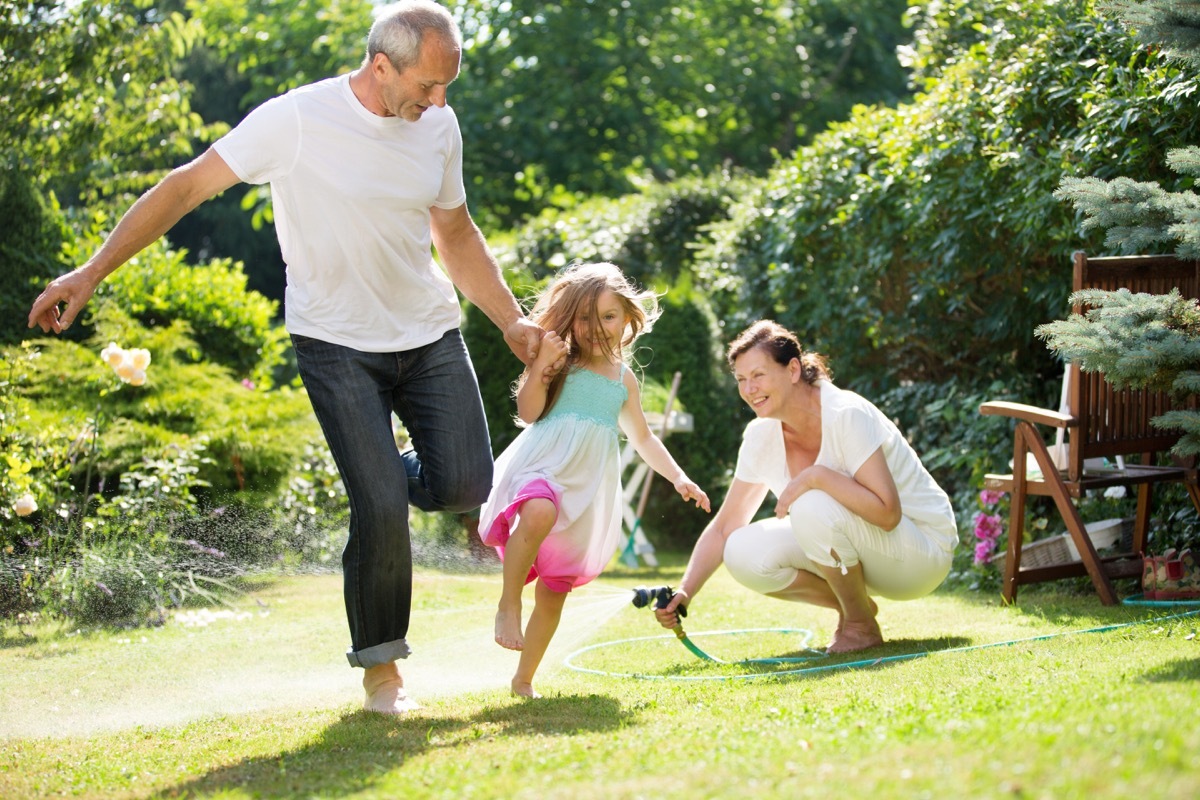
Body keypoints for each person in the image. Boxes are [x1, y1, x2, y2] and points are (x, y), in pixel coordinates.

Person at [27, 0, 548, 714]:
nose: (440, 101)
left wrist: (512, 321)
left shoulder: (438, 127)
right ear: (380, 65)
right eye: (428, 85)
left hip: (427, 334)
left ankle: (376, 475)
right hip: (334, 342)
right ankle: (382, 670)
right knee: (381, 510)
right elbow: (185, 187)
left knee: (463, 483)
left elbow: (455, 233)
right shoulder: (295, 120)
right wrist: (89, 272)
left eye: (447, 85)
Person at [478, 262, 711, 697]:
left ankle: (523, 679)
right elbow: (528, 413)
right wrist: (541, 364)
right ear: (570, 318)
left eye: (607, 316)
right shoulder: (560, 360)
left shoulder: (624, 380)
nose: (595, 327)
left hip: (584, 489)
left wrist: (679, 478)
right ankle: (508, 603)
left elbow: (642, 437)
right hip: (542, 465)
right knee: (539, 508)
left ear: (627, 317)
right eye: (584, 317)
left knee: (553, 591)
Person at [654, 320, 956, 653]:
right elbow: (726, 527)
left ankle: (859, 627)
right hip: (863, 552)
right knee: (740, 549)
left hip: (920, 554)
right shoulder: (761, 435)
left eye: (758, 375)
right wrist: (684, 591)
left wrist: (816, 476)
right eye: (741, 379)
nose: (749, 389)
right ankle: (856, 608)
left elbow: (887, 514)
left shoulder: (846, 414)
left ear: (793, 369)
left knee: (811, 502)